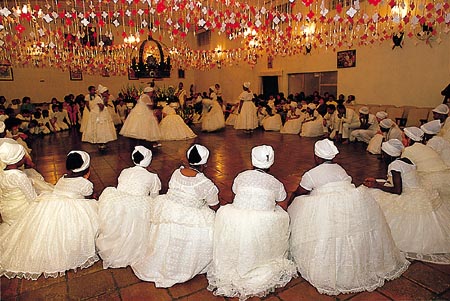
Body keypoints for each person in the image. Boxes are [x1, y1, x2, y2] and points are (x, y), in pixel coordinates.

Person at [288, 139, 409, 295]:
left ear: (317, 157)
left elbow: (299, 192)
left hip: (326, 209)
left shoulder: (311, 174)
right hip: (349, 204)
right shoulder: (340, 169)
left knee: (301, 202)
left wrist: (290, 204)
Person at [207, 145, 297, 300]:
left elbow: (235, 191)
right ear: (271, 162)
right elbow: (282, 203)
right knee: (282, 216)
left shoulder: (242, 176)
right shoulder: (275, 183)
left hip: (235, 218)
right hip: (262, 223)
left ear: (253, 160)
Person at [0, 151, 99, 280]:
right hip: (72, 208)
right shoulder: (85, 183)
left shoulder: (63, 178)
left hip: (53, 204)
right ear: (86, 167)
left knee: (52, 231)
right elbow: (88, 196)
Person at [132, 144, 220, 287]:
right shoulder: (205, 183)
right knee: (211, 225)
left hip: (169, 209)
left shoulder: (176, 173)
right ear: (205, 163)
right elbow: (214, 204)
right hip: (190, 214)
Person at [362, 139, 450, 264]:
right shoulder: (406, 160)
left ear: (389, 154)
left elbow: (397, 190)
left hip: (407, 194)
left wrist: (376, 185)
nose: (382, 156)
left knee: (373, 195)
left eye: (384, 154)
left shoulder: (395, 166)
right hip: (419, 191)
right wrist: (379, 182)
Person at [97, 146, 161, 269]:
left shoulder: (125, 171)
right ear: (148, 160)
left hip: (117, 203)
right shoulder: (152, 177)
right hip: (137, 207)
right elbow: (154, 198)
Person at [402, 126, 450, 203]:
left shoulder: (408, 151)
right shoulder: (426, 147)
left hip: (431, 181)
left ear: (409, 139)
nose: (402, 141)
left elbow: (406, 173)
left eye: (403, 138)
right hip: (446, 178)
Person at [0, 141, 36, 233]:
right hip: (22, 212)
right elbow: (32, 198)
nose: (24, 159)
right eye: (23, 157)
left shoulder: (2, 174)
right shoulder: (19, 176)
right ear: (17, 160)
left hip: (7, 212)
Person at [82, 84, 117, 151]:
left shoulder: (101, 98)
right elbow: (101, 108)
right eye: (105, 92)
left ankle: (103, 142)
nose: (107, 93)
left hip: (102, 114)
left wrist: (105, 101)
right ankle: (100, 143)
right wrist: (103, 101)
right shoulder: (98, 98)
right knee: (100, 129)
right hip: (98, 115)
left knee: (104, 129)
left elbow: (105, 106)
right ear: (102, 93)